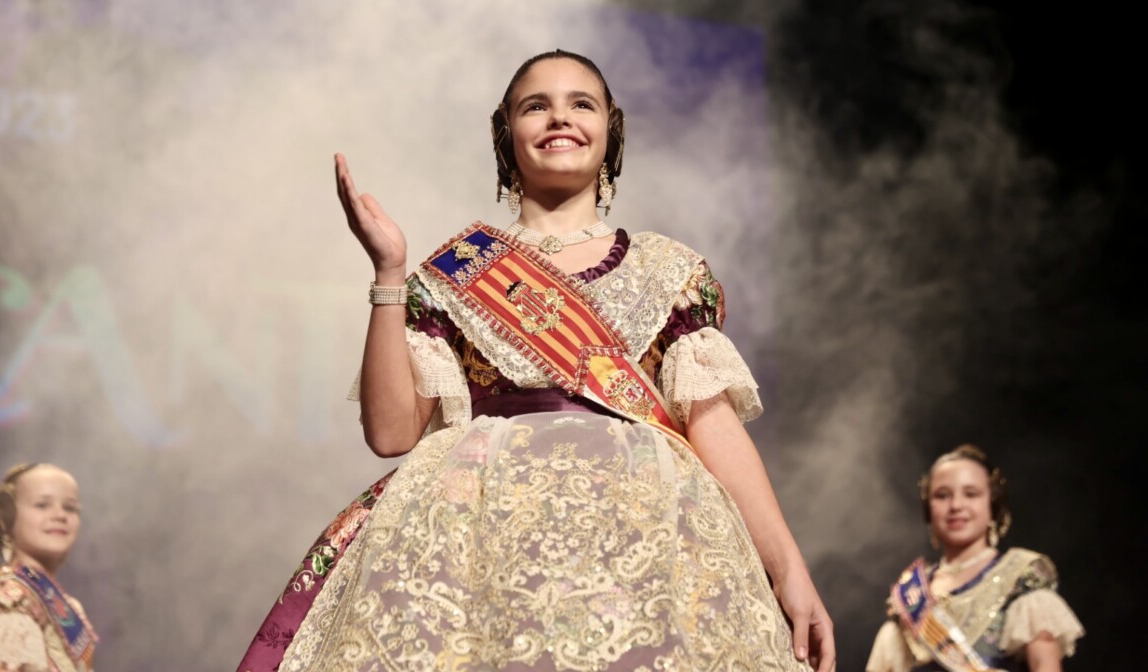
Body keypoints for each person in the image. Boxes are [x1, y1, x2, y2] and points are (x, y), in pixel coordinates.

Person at [239, 49, 834, 671]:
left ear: (610, 129)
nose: (560, 118)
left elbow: (715, 430)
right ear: (506, 132)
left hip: (648, 545)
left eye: (582, 103)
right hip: (480, 544)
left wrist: (788, 569)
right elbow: (390, 435)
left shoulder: (670, 271)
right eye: (536, 106)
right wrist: (389, 271)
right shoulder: (450, 277)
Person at [866, 445, 1084, 672]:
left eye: (971, 494)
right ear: (928, 507)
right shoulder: (912, 593)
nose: (956, 505)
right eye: (942, 495)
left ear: (992, 502)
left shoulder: (1021, 576)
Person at [0, 463, 98, 672]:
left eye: (70, 508)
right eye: (42, 505)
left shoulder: (65, 604)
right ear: (7, 516)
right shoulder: (10, 601)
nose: (60, 515)